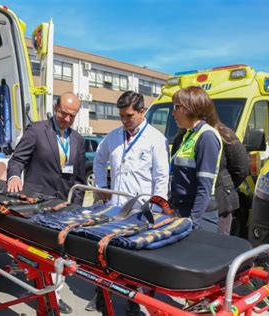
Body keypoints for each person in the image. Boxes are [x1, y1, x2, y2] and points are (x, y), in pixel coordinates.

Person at [87, 90, 169, 315]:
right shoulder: (113, 137)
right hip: (114, 207)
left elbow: (162, 178)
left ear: (142, 112)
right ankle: (101, 294)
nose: (124, 121)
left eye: (129, 116)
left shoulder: (155, 139)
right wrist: (102, 186)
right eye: (121, 116)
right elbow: (99, 160)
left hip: (140, 211)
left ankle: (132, 300)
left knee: (130, 258)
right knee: (104, 252)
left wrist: (158, 211)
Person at [6, 92, 86, 313]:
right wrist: (14, 177)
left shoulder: (78, 140)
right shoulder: (37, 130)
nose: (67, 119)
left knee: (60, 252)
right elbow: (17, 160)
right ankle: (45, 291)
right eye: (63, 113)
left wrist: (76, 205)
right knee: (41, 251)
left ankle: (54, 296)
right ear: (55, 107)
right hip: (38, 202)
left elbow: (79, 177)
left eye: (72, 115)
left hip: (64, 204)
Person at [172, 123, 249, 235]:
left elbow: (241, 169)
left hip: (220, 202)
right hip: (191, 203)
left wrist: (223, 187)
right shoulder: (183, 136)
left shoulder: (223, 135)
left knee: (218, 245)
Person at [170, 86, 223, 232]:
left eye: (176, 107)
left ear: (189, 107)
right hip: (183, 210)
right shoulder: (189, 135)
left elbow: (204, 187)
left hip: (199, 216)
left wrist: (192, 223)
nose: (173, 113)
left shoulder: (207, 136)